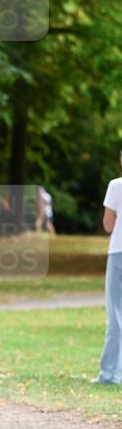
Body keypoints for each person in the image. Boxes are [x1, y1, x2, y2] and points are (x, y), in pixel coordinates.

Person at [94, 152, 122, 385]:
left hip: (119, 253)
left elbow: (107, 224)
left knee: (115, 314)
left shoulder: (116, 186)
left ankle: (109, 375)